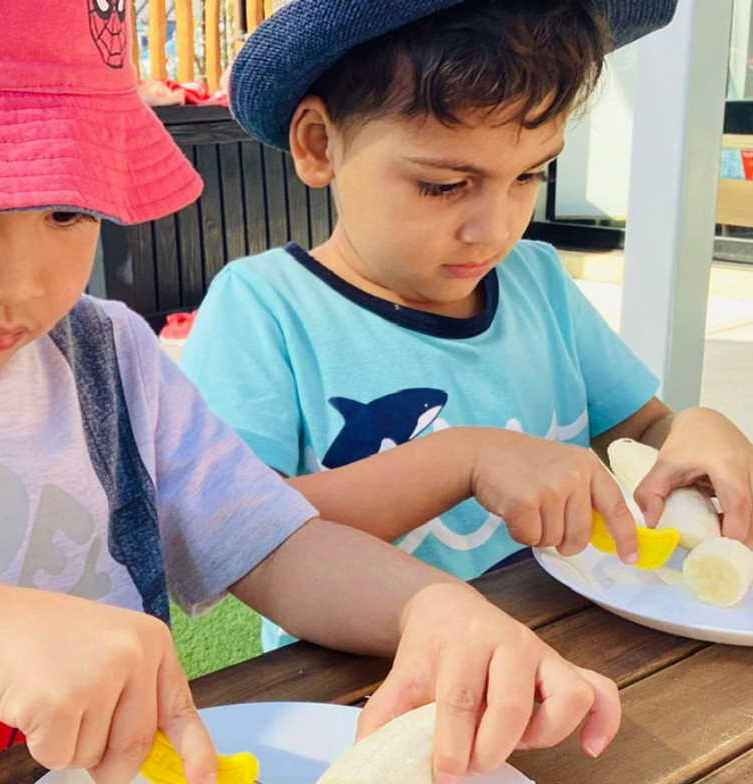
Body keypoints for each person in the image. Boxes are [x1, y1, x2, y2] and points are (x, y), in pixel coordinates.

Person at [0, 0, 619, 784]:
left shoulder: (105, 358)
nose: (16, 278)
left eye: (66, 210)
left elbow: (276, 544)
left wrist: (431, 609)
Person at [180, 0, 753, 652]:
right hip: (363, 691)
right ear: (319, 144)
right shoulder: (267, 310)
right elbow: (227, 534)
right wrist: (464, 461)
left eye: (529, 174)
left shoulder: (538, 285)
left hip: (569, 660)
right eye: (445, 184)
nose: (496, 228)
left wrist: (694, 430)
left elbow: (643, 427)